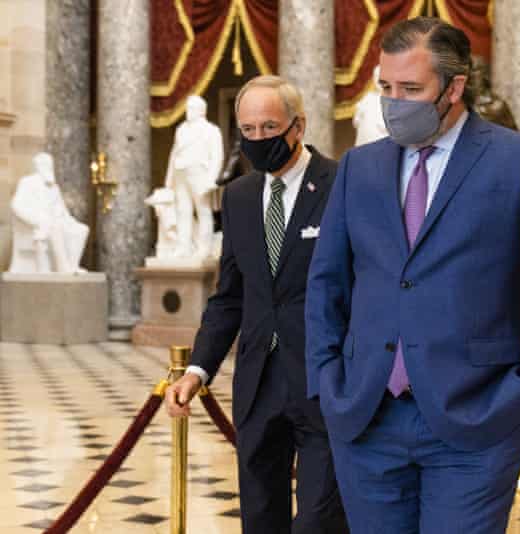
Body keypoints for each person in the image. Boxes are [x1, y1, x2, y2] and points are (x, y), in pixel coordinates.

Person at [305, 17, 520, 534]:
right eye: (386, 87)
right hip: (366, 416)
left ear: (454, 88)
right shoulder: (358, 167)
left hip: (477, 419)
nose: (395, 102)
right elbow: (327, 282)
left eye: (411, 89)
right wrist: (327, 380)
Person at [164, 75, 348, 534]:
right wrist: (197, 370)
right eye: (248, 131)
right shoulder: (240, 196)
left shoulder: (342, 184)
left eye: (269, 128)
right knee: (260, 516)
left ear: (298, 126)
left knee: (319, 519)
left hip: (325, 381)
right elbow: (230, 297)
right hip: (258, 382)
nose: (259, 140)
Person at [163, 95, 224, 259]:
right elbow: (174, 154)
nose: (188, 112)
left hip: (200, 173)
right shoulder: (181, 129)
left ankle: (204, 248)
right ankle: (183, 247)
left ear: (201, 111)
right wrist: (169, 180)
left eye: (192, 108)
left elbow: (217, 156)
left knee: (203, 211)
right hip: (180, 173)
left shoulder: (211, 130)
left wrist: (211, 179)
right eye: (188, 108)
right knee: (183, 211)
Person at [9, 152, 89, 274]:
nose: (48, 167)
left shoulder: (54, 187)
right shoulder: (27, 182)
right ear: (37, 166)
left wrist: (69, 221)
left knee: (81, 229)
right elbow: (16, 205)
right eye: (45, 164)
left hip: (58, 221)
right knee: (53, 226)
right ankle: (63, 267)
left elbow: (62, 210)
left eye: (49, 165)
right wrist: (35, 220)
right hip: (37, 223)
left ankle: (72, 265)